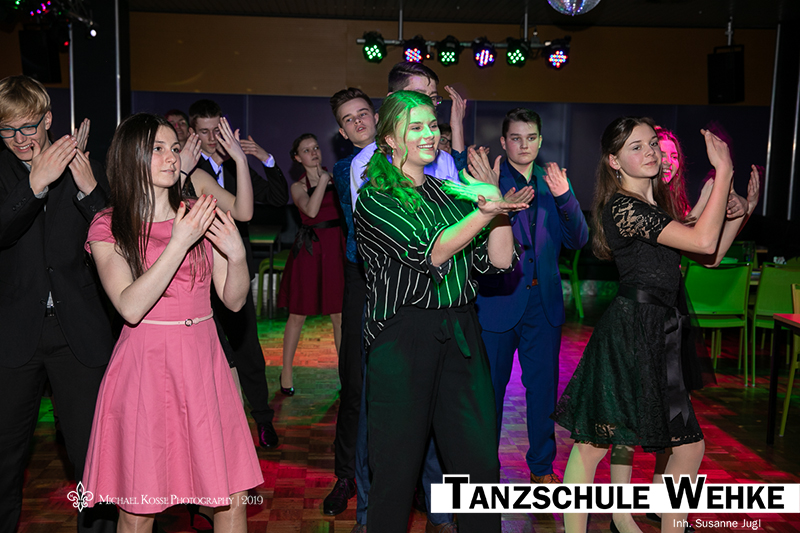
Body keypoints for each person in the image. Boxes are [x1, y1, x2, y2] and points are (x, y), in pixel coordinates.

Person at [552, 117, 750, 533]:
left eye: (652, 144)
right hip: (629, 333)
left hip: (660, 332)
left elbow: (709, 255)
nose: (651, 152)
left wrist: (740, 211)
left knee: (687, 448)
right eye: (637, 147)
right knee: (592, 445)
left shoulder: (654, 210)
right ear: (614, 161)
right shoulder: (624, 208)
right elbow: (702, 241)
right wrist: (724, 171)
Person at [353, 90, 532, 533]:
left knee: (478, 465)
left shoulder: (450, 192)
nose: (429, 134)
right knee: (395, 469)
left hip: (461, 331)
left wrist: (494, 202)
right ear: (389, 138)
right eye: (415, 126)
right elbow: (431, 252)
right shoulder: (375, 199)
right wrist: (484, 212)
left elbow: (499, 262)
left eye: (432, 125)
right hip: (403, 337)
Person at [81, 113, 263, 531]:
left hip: (204, 362)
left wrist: (237, 256)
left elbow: (233, 301)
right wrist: (179, 243)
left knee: (232, 499)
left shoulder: (201, 212)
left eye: (174, 148)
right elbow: (129, 307)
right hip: (146, 365)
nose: (171, 158)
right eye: (157, 149)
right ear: (131, 157)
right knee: (139, 508)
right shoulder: (109, 224)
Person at [0, 75, 115, 533]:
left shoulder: (84, 165)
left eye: (28, 127)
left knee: (94, 458)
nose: (19, 139)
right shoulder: (2, 172)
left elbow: (117, 237)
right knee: (5, 459)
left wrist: (88, 191)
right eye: (7, 129)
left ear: (48, 119)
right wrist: (35, 184)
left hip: (79, 334)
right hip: (14, 336)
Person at [474, 107, 589, 484]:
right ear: (504, 142)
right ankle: (484, 469)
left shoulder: (553, 181)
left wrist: (565, 197)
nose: (524, 145)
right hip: (498, 299)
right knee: (490, 391)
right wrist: (495, 202)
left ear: (540, 141)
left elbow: (579, 240)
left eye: (531, 138)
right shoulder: (489, 180)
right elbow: (472, 239)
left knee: (542, 391)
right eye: (516, 138)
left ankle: (541, 467)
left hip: (544, 303)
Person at [188, 99, 289, 448]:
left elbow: (277, 197)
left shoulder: (236, 166)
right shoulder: (187, 169)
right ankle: (218, 431)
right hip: (198, 271)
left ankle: (262, 419)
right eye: (203, 131)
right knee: (208, 353)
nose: (211, 138)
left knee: (248, 348)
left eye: (216, 130)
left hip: (234, 268)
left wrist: (264, 158)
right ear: (193, 133)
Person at [322, 88, 378, 518]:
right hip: (361, 276)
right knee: (354, 381)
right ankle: (346, 475)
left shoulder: (409, 158)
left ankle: (408, 478)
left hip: (406, 277)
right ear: (342, 131)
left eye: (363, 113)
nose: (358, 121)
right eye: (348, 118)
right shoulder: (344, 169)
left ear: (376, 116)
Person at [277, 133, 345, 393]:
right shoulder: (298, 187)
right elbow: (312, 211)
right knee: (297, 314)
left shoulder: (337, 178)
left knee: (339, 315)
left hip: (336, 249)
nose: (314, 153)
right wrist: (323, 181)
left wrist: (329, 179)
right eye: (306, 150)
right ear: (297, 158)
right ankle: (286, 373)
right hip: (310, 249)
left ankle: (345, 376)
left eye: (315, 147)